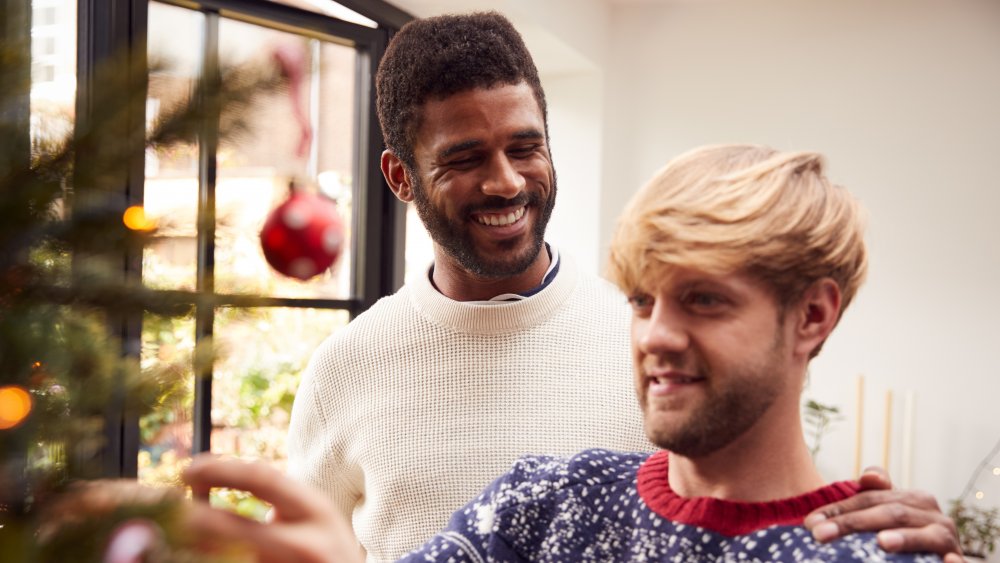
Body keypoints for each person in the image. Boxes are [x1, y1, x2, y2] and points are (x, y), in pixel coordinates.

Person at [284, 10, 959, 562]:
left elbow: (754, 486)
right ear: (400, 178)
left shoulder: (633, 350)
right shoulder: (552, 492)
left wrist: (884, 537)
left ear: (812, 317)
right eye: (464, 158)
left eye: (525, 147)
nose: (506, 183)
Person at [183, 144, 960, 562]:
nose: (655, 333)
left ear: (813, 315)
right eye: (642, 299)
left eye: (706, 300)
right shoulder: (547, 500)